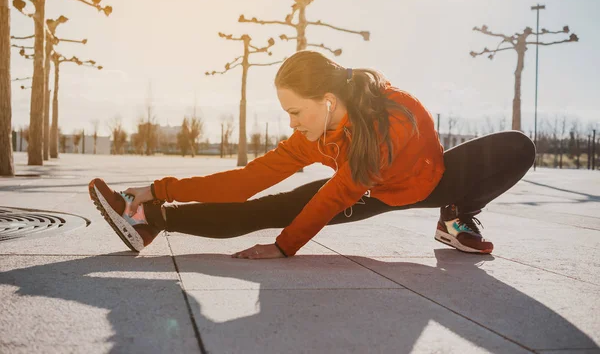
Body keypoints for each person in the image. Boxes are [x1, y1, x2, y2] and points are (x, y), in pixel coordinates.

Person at [89, 50, 535, 259]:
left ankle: (456, 216)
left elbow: (334, 195)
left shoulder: (394, 118)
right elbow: (246, 181)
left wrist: (285, 248)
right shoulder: (313, 134)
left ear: (326, 99)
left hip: (435, 180)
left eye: (295, 111)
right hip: (374, 191)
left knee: (517, 146)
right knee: (262, 208)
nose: (291, 123)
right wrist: (156, 189)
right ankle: (148, 221)